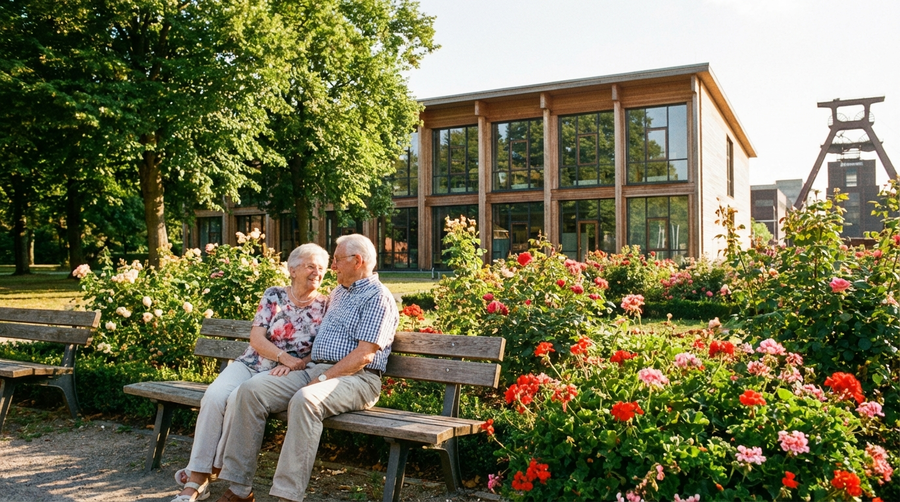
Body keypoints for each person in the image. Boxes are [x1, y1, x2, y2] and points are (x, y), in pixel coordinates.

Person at [213, 234, 398, 502]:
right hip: (316, 371)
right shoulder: (338, 293)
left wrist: (322, 377)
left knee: (306, 399)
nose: (332, 267)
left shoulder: (377, 298)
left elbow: (363, 356)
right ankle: (240, 489)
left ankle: (287, 496)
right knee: (250, 390)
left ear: (357, 261)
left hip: (358, 379)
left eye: (336, 260)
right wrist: (294, 364)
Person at [170, 243, 330, 502]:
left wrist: (295, 364)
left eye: (321, 268)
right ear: (292, 270)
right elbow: (256, 338)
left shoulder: (326, 304)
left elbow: (324, 346)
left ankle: (203, 477)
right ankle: (199, 476)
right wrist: (283, 357)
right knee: (213, 396)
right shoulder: (273, 295)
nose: (317, 272)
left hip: (283, 374)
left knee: (237, 400)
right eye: (311, 266)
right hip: (251, 363)